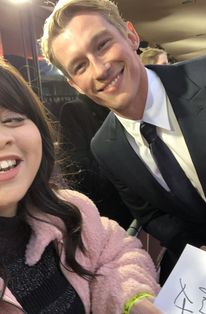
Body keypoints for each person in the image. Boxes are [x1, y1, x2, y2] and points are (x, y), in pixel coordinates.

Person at [40, 0, 206, 284]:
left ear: (131, 36)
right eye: (80, 66)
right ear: (74, 85)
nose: (100, 69)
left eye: (103, 44)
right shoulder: (105, 147)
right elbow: (153, 216)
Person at [0, 58, 163, 314]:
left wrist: (131, 300)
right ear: (72, 81)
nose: (2, 138)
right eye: (79, 65)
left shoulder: (68, 211)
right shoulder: (79, 115)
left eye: (12, 119)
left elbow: (114, 252)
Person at [59, 95, 133, 229]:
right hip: (106, 209)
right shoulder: (74, 110)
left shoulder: (122, 109)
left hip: (134, 204)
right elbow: (77, 167)